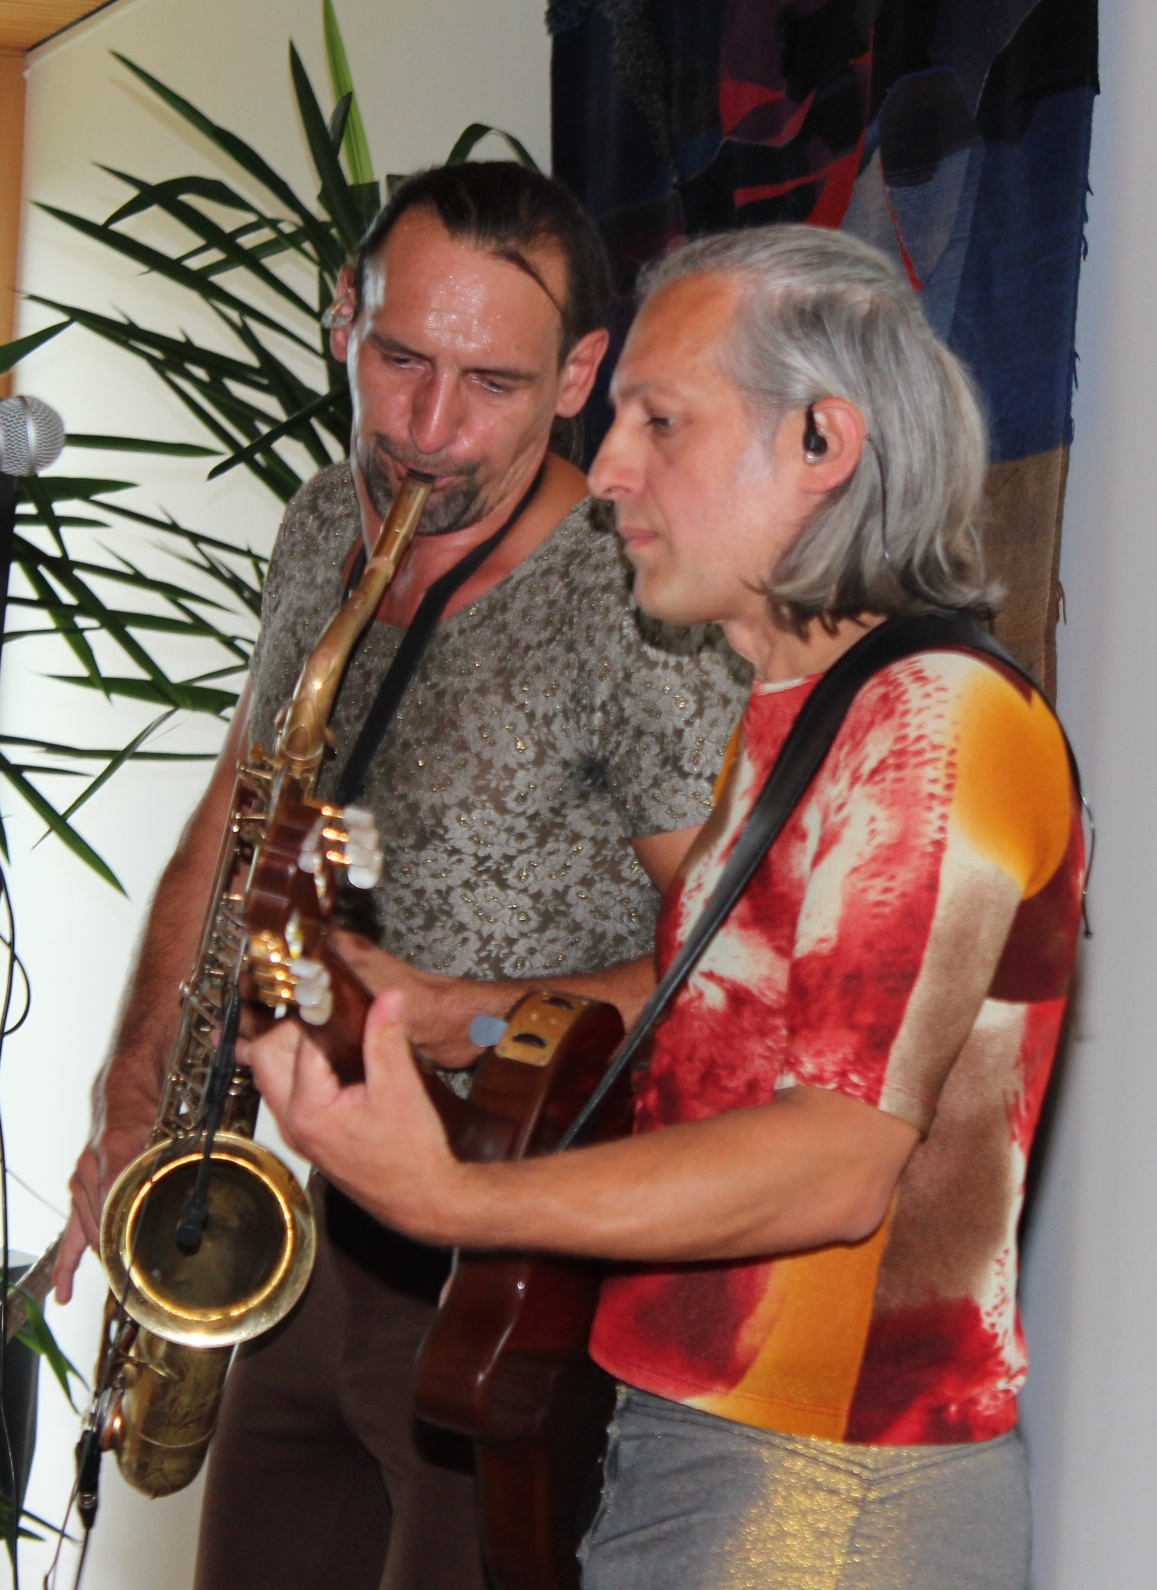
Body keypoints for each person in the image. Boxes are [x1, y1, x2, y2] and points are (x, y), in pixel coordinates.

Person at [250, 223, 1085, 1590]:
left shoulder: (935, 726)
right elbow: (725, 1015)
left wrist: (456, 1194)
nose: (608, 471)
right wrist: (462, 1017)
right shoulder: (805, 713)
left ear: (822, 441)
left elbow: (833, 1164)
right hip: (704, 1451)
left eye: (660, 420)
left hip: (822, 1492)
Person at [53, 163, 748, 1590]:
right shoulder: (327, 521)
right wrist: (134, 1091)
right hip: (324, 1231)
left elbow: (740, 970)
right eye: (400, 360)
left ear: (579, 378)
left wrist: (463, 1015)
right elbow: (233, 815)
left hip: (518, 1266)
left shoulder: (637, 602)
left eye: (491, 383)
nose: (428, 431)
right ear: (342, 320)